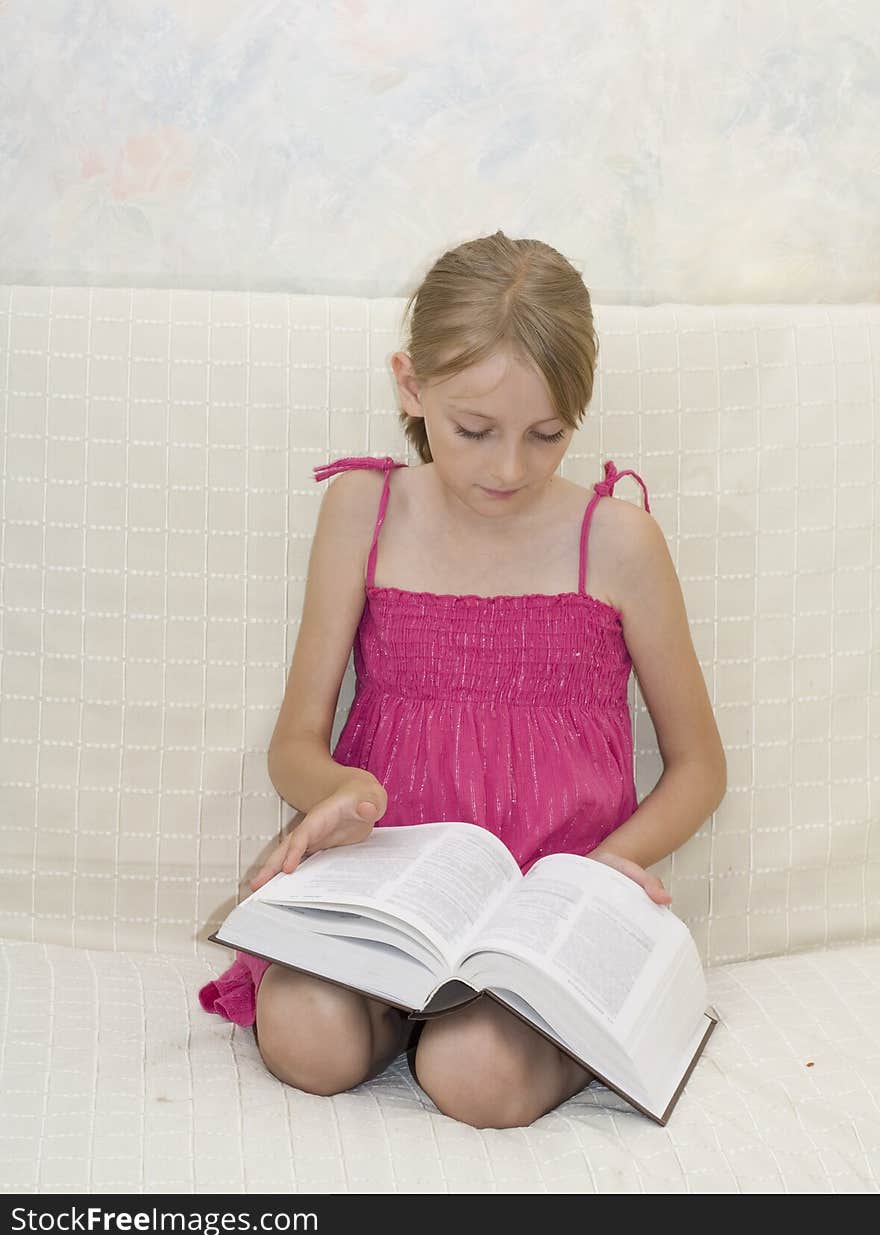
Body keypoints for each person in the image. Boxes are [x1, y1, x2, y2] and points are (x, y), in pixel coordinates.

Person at [199, 230, 727, 1130]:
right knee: (302, 1035)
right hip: (391, 901)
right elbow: (295, 743)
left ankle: (511, 1030)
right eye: (473, 431)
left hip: (542, 913)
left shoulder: (620, 542)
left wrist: (608, 870)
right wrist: (338, 794)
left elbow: (700, 765)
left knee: (474, 1074)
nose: (510, 468)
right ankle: (399, 1010)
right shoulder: (363, 509)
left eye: (547, 434)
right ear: (412, 387)